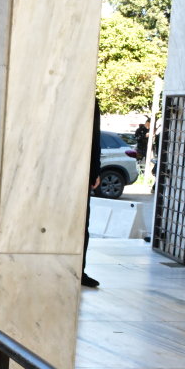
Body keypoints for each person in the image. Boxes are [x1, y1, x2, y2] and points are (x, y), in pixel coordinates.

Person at [81, 99, 102, 288]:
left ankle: (79, 270)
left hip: (81, 171)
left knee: (81, 224)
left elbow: (94, 138)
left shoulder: (89, 100)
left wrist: (95, 171)